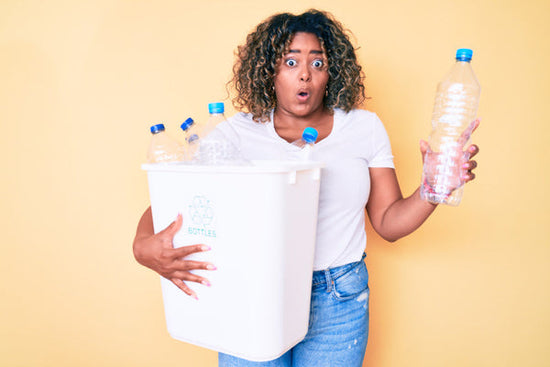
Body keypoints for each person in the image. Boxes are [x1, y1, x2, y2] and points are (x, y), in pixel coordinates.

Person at [133, 9, 480, 367]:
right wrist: (143, 246)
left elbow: (388, 223)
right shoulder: (233, 132)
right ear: (269, 70)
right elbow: (172, 197)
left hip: (338, 300)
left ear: (332, 72)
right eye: (290, 61)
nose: (304, 73)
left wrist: (432, 189)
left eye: (318, 63)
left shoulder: (364, 128)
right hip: (253, 290)